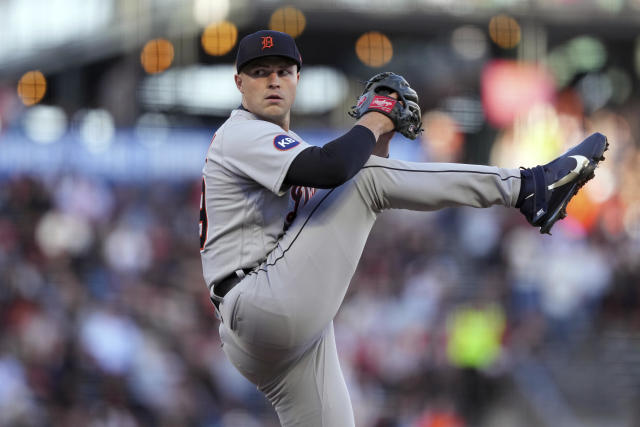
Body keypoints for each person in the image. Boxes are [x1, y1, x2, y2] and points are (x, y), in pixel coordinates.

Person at [199, 29, 607, 426]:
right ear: (239, 83)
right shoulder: (242, 133)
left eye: (283, 71)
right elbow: (336, 169)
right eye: (259, 71)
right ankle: (529, 187)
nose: (273, 80)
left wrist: (379, 137)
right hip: (260, 301)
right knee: (369, 180)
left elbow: (339, 182)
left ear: (297, 79)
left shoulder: (285, 146)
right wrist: (375, 119)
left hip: (274, 325)